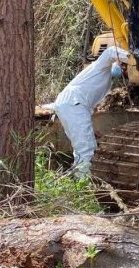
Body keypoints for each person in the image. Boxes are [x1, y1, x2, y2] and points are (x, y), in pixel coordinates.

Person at [47, 46, 129, 178]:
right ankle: (84, 186)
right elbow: (110, 51)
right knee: (87, 150)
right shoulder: (100, 67)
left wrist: (92, 128)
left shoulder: (106, 80)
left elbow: (87, 105)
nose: (124, 70)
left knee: (80, 148)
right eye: (123, 66)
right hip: (73, 103)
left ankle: (77, 178)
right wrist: (132, 58)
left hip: (70, 105)